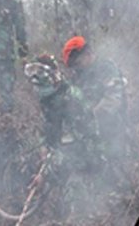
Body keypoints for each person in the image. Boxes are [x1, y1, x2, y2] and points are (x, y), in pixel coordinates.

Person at [24, 54, 103, 222]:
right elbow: (49, 133)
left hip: (84, 165)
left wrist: (44, 175)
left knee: (78, 215)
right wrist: (43, 150)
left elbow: (71, 150)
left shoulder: (69, 100)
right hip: (68, 163)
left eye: (42, 75)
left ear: (53, 76)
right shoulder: (50, 100)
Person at [62, 36, 128, 153]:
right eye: (73, 66)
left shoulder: (106, 69)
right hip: (90, 141)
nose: (76, 68)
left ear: (87, 54)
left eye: (78, 63)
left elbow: (112, 101)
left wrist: (90, 120)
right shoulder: (79, 78)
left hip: (112, 136)